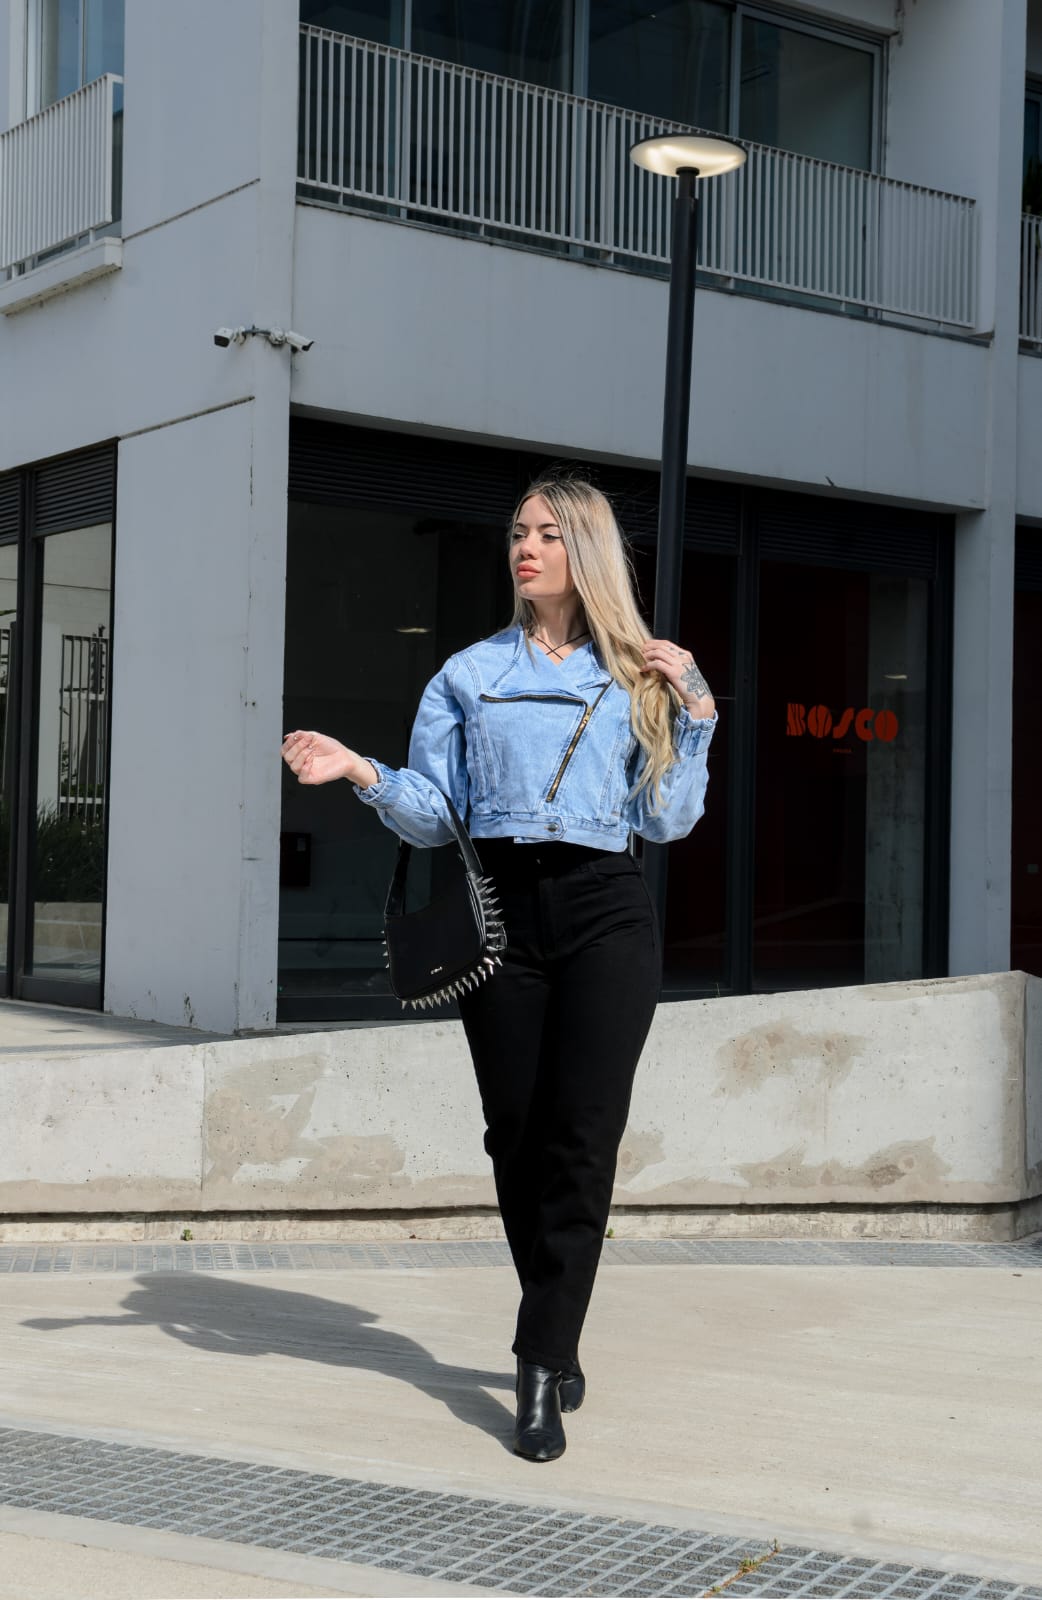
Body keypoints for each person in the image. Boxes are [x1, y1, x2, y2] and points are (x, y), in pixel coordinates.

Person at [281, 476, 716, 1463]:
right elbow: (436, 816)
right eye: (519, 532)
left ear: (585, 549)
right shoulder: (468, 675)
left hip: (607, 911)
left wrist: (694, 711)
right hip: (499, 914)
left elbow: (666, 821)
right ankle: (556, 1322)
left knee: (582, 1137)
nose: (526, 546)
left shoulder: (638, 675)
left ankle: (539, 1360)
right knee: (516, 1134)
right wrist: (359, 770)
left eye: (548, 533)